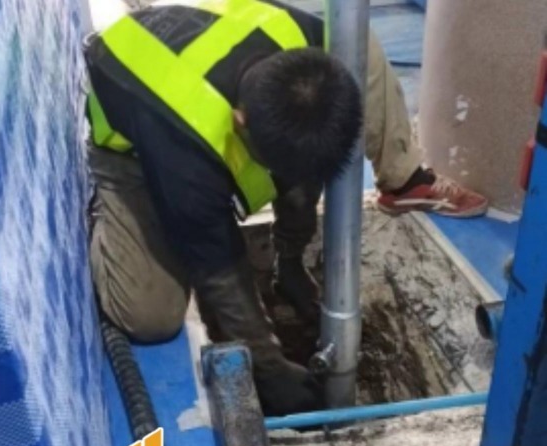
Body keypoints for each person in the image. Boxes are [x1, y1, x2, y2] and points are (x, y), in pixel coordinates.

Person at [85, 0, 488, 417]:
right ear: (240, 121)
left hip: (200, 50)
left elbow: (303, 172)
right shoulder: (182, 151)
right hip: (134, 139)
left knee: (323, 116)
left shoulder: (311, 53)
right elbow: (217, 264)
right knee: (151, 318)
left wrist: (291, 260)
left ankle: (398, 183)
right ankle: (110, 221)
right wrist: (270, 368)